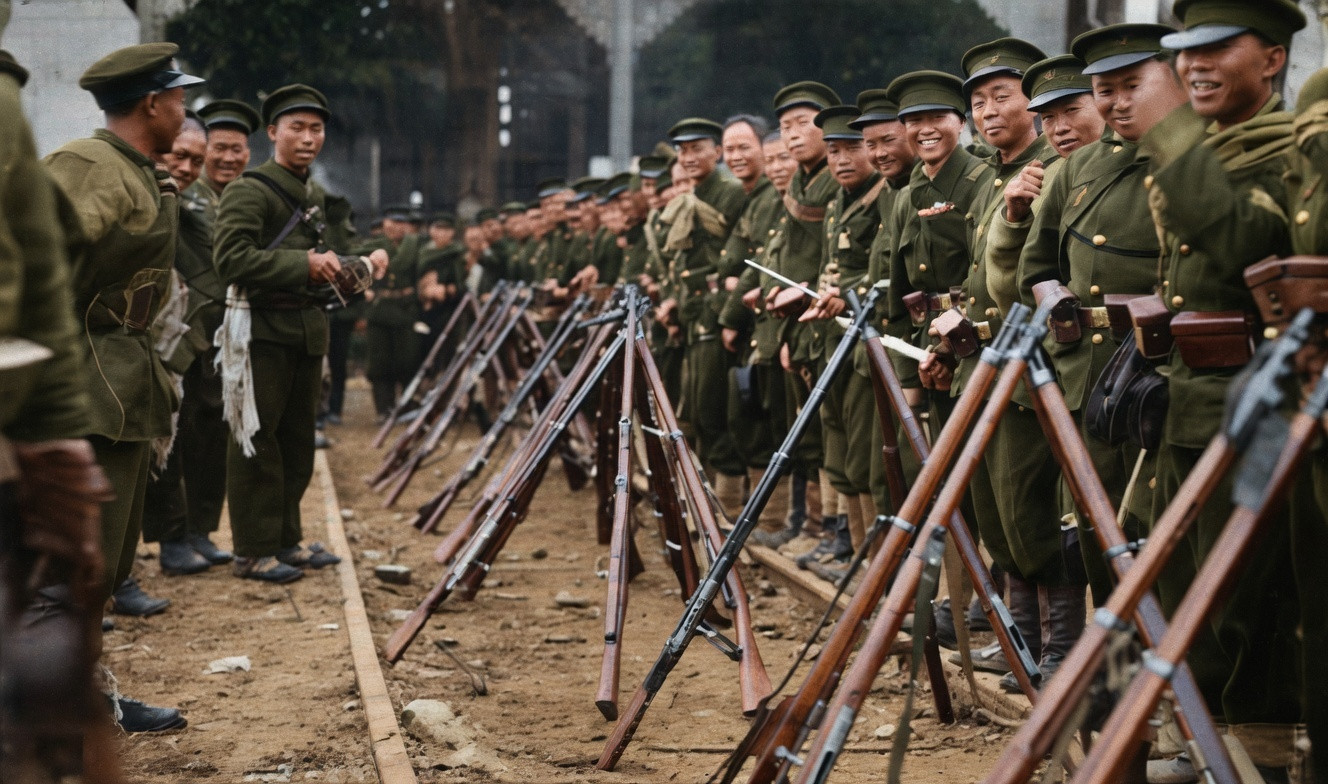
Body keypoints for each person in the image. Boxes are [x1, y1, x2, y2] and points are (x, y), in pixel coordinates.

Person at [1142, 2, 1306, 777]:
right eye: (1184, 51)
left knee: (1249, 595)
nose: (1193, 65)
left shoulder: (1287, 152)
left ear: (1272, 60)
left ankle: (1257, 756)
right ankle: (1201, 740)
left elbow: (1247, 243)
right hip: (1188, 402)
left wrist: (1171, 135)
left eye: (1216, 49)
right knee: (1186, 585)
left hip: (1260, 408)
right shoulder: (1209, 150)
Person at [43, 40, 206, 732]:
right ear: (151, 103)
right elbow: (29, 267)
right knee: (68, 567)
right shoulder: (87, 168)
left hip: (122, 380)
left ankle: (83, 696)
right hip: (84, 385)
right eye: (178, 99)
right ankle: (53, 710)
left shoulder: (136, 171)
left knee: (102, 563)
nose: (184, 110)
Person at [213, 84, 386, 583]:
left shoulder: (313, 194)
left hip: (307, 329)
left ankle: (285, 541)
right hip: (263, 329)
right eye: (296, 128)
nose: (308, 138)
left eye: (316, 129)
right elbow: (230, 260)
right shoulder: (251, 190)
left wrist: (366, 262)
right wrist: (302, 264)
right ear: (272, 133)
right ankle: (251, 549)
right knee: (256, 440)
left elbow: (337, 250)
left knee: (296, 443)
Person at [795, 104, 884, 583]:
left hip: (867, 340)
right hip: (833, 338)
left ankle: (871, 560)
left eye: (852, 147)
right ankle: (853, 549)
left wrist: (846, 295)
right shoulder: (838, 203)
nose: (843, 159)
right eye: (834, 151)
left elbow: (882, 274)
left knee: (866, 455)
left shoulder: (884, 198)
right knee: (841, 447)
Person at [759, 81, 841, 566]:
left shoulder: (834, 175)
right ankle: (814, 526)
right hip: (800, 322)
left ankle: (830, 532)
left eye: (801, 124)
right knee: (811, 432)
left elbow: (826, 259)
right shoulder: (801, 180)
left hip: (826, 318)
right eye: (785, 126)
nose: (791, 136)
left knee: (833, 436)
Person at [656, 117, 746, 516]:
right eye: (683, 151)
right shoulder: (693, 194)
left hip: (716, 315)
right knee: (693, 409)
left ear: (717, 152)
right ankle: (703, 500)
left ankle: (724, 508)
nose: (689, 158)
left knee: (714, 411)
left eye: (697, 149)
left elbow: (734, 261)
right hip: (694, 316)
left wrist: (721, 310)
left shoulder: (727, 193)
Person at [364, 205, 427, 421]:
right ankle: (384, 408)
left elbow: (424, 270)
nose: (395, 227)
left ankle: (408, 405)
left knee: (408, 360)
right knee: (380, 363)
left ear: (407, 226)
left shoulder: (416, 246)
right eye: (390, 223)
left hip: (405, 309)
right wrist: (366, 291)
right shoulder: (374, 246)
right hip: (380, 309)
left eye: (400, 223)